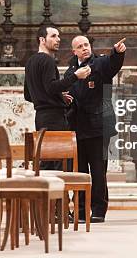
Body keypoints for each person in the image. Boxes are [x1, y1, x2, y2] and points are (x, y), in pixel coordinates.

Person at [64, 36, 127, 223]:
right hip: (78, 128)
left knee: (98, 171)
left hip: (98, 127)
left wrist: (117, 53)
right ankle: (81, 211)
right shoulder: (71, 70)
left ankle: (99, 210)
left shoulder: (99, 63)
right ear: (73, 51)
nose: (84, 48)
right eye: (80, 47)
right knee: (80, 172)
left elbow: (113, 64)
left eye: (86, 45)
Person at [24, 26, 91, 167]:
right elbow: (51, 86)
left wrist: (59, 97)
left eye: (58, 36)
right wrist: (75, 76)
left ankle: (46, 189)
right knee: (60, 163)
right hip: (54, 119)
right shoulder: (47, 60)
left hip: (41, 118)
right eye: (53, 36)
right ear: (42, 40)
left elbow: (28, 95)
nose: (58, 39)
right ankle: (58, 190)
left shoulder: (30, 62)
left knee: (47, 161)